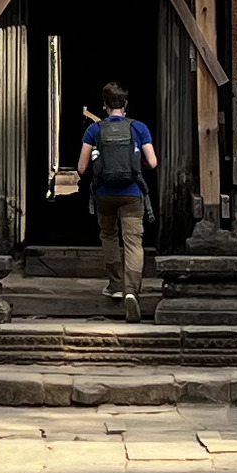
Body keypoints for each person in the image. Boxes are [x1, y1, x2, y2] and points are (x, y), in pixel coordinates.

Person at [74, 81, 157, 308]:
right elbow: (153, 161)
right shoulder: (138, 128)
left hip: (104, 194)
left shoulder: (94, 130)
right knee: (132, 241)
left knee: (109, 236)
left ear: (104, 106)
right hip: (132, 193)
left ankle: (115, 286)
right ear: (125, 104)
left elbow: (82, 168)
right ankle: (132, 291)